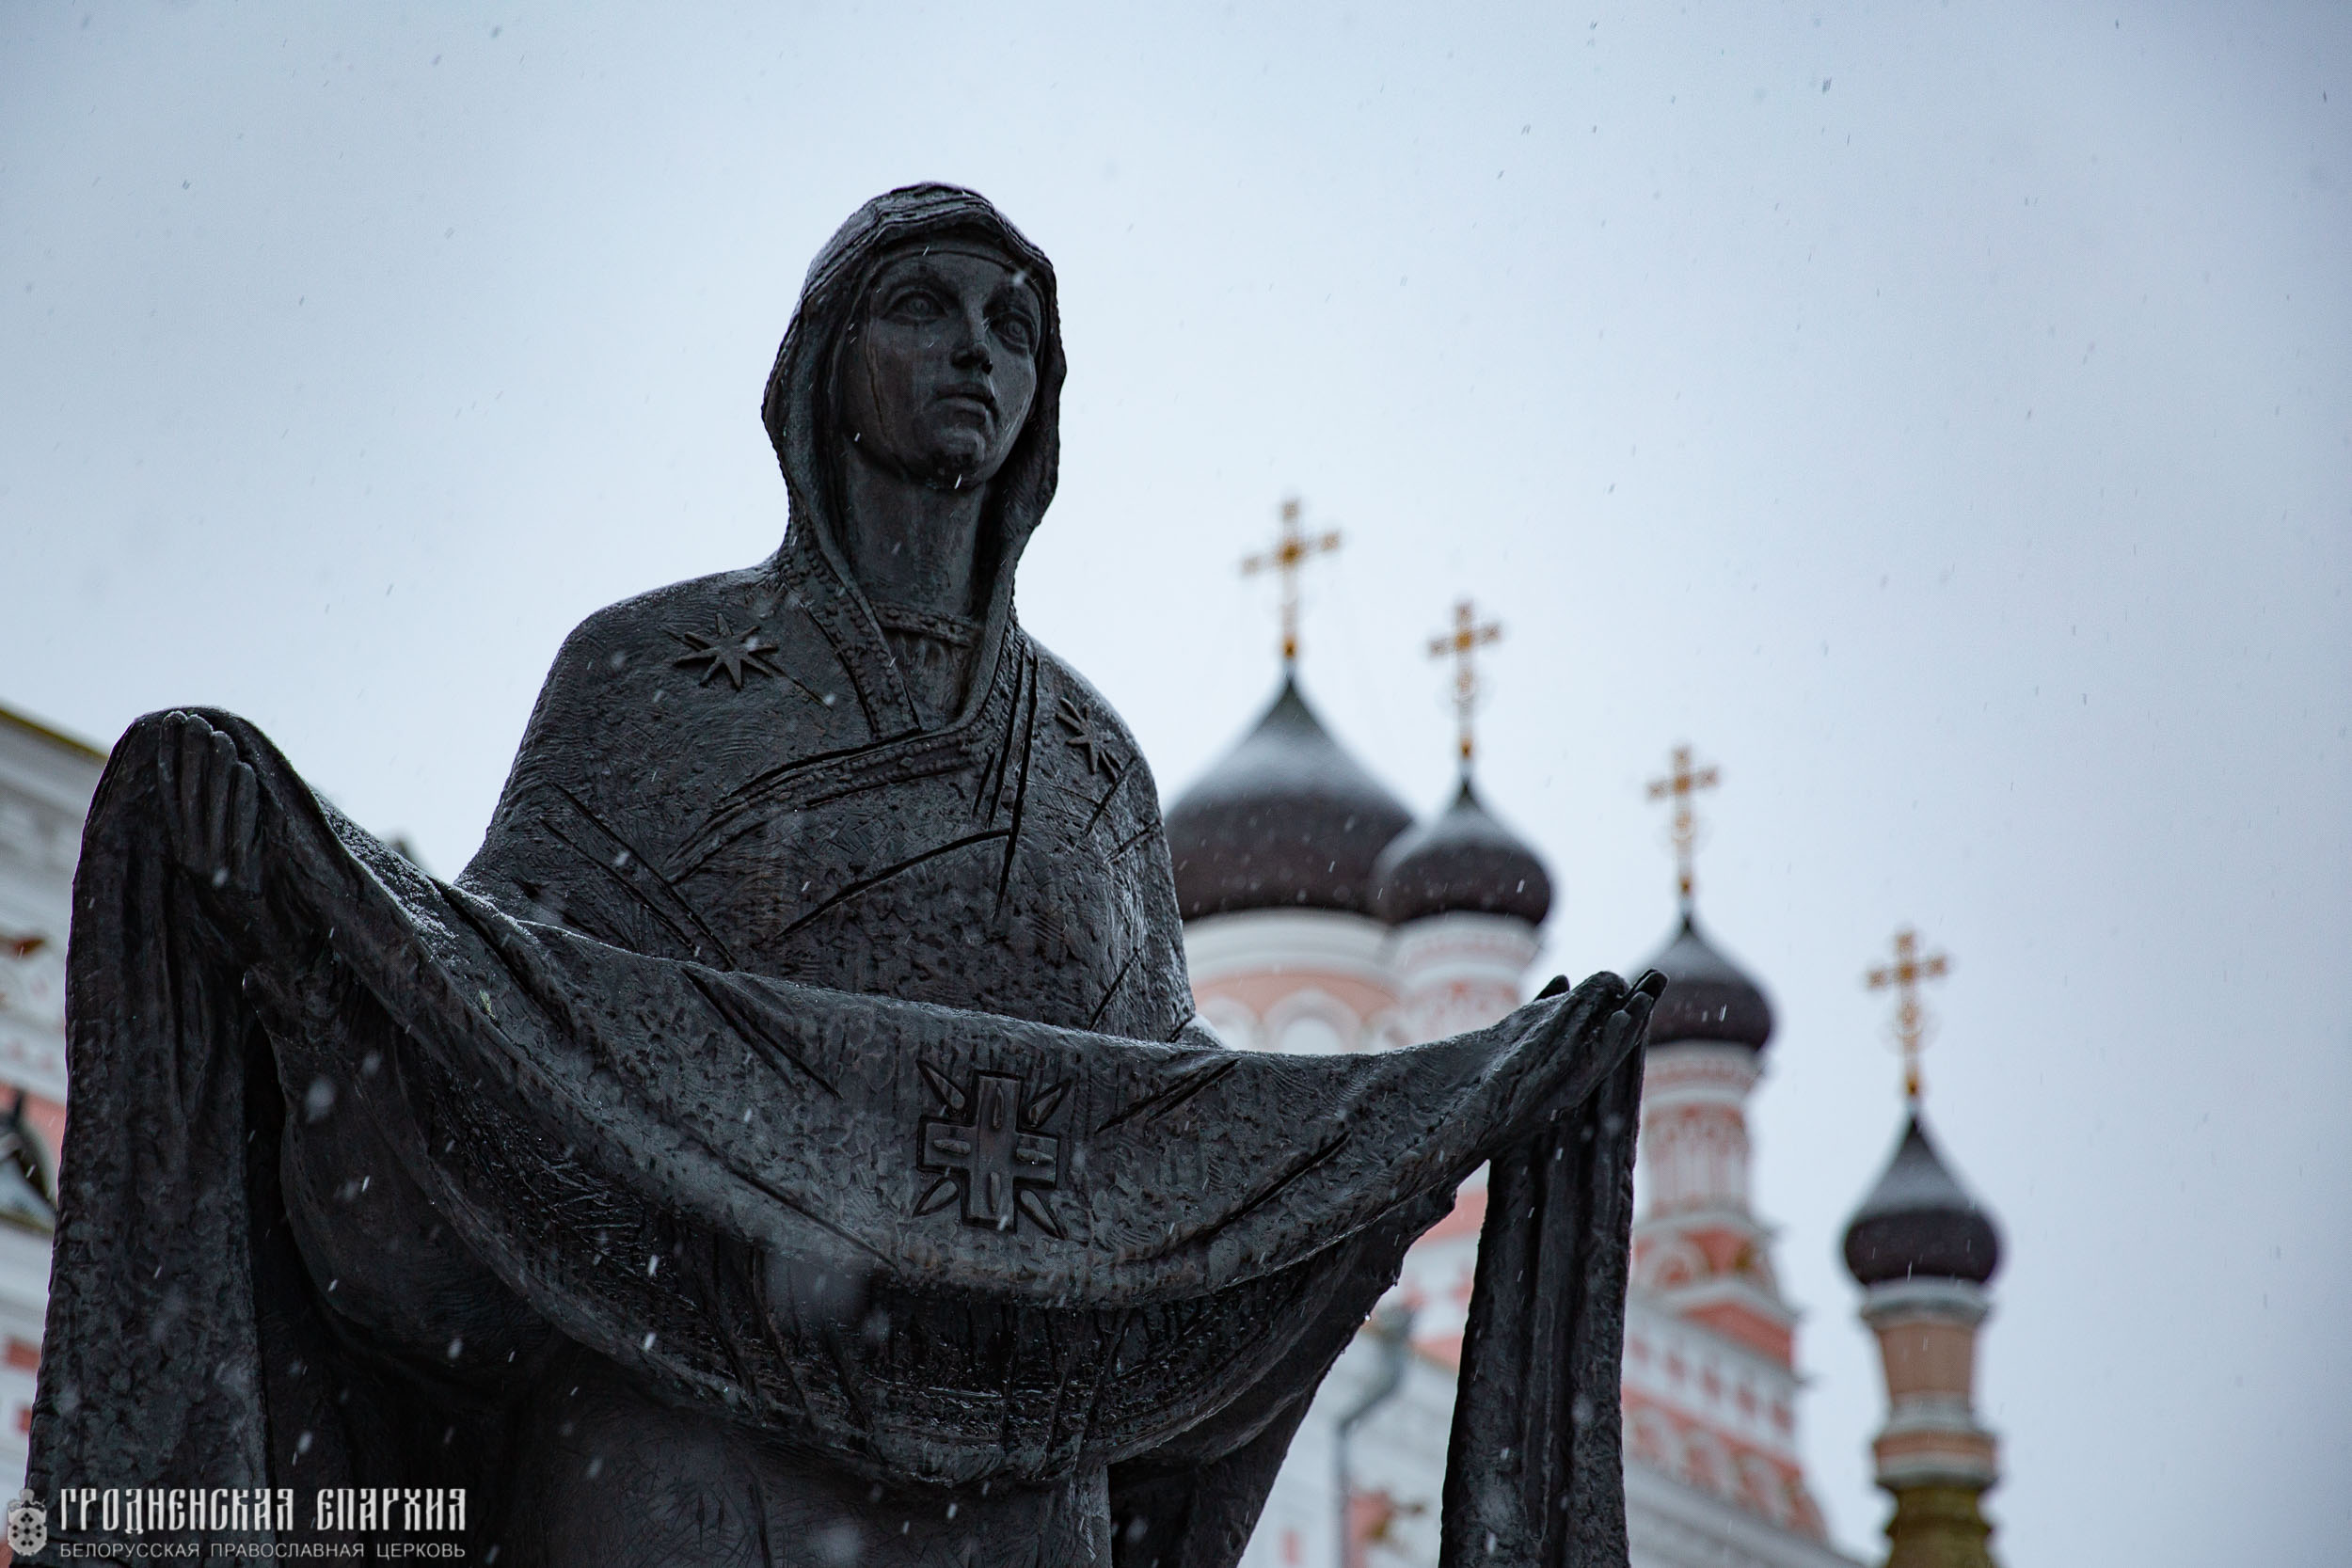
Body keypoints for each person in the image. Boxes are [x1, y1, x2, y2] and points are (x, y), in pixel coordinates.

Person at [32, 186, 1657, 1568]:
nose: (976, 352)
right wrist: (298, 888)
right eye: (924, 308)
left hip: (1017, 1466)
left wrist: (1443, 1109)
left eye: (1014, 327)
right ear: (826, 364)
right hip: (676, 1414)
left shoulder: (1090, 763)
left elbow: (1161, 1128)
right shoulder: (648, 675)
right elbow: (505, 1022)